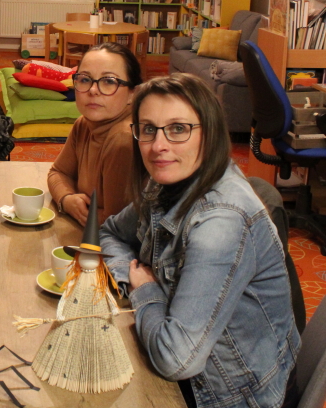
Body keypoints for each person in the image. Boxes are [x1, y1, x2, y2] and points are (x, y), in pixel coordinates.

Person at [99, 74, 300, 408]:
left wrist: (144, 291)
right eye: (148, 129)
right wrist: (129, 278)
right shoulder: (166, 180)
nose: (158, 145)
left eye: (178, 129)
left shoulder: (222, 222)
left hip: (232, 396)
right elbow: (110, 232)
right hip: (191, 365)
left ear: (210, 133)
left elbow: (176, 360)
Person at [48, 42, 142, 225]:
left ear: (133, 93)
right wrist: (67, 200)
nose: (92, 90)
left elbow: (115, 225)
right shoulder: (84, 124)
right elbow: (58, 172)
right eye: (84, 79)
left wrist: (79, 210)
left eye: (109, 81)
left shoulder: (124, 139)